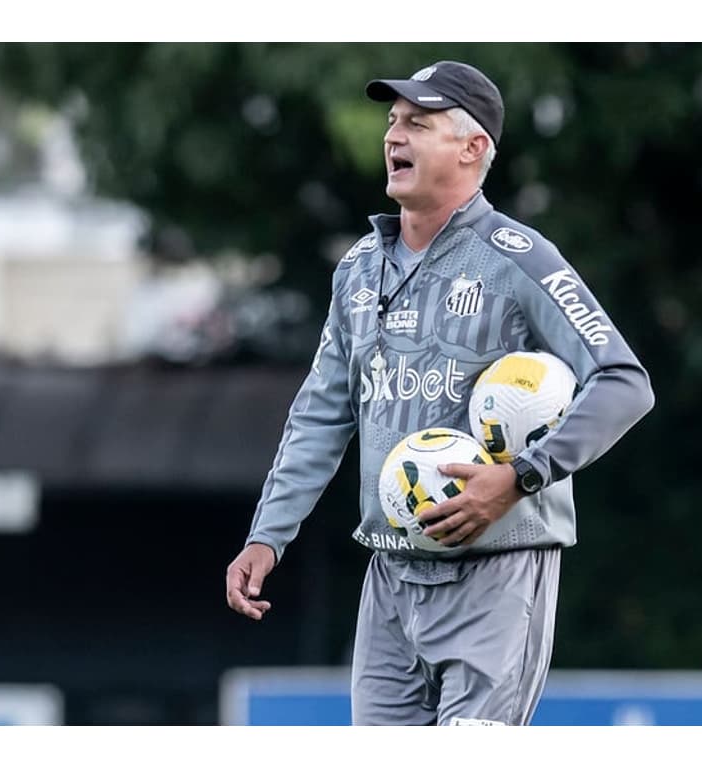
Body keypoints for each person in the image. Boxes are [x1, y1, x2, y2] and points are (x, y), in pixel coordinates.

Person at [225, 60, 654, 726]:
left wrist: (519, 477)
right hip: (391, 579)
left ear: (473, 147)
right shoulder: (359, 267)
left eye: (417, 123)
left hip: (499, 570)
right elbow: (319, 414)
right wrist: (268, 535)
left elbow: (625, 384)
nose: (394, 136)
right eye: (393, 122)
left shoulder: (520, 258)